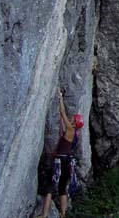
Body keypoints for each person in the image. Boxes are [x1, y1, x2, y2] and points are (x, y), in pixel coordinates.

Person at [41, 88, 84, 218]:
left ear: (74, 122)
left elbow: (62, 112)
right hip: (67, 162)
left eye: (73, 118)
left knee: (50, 186)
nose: (71, 118)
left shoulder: (71, 129)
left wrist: (60, 98)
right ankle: (63, 214)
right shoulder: (77, 134)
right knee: (62, 189)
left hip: (60, 161)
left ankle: (44, 215)